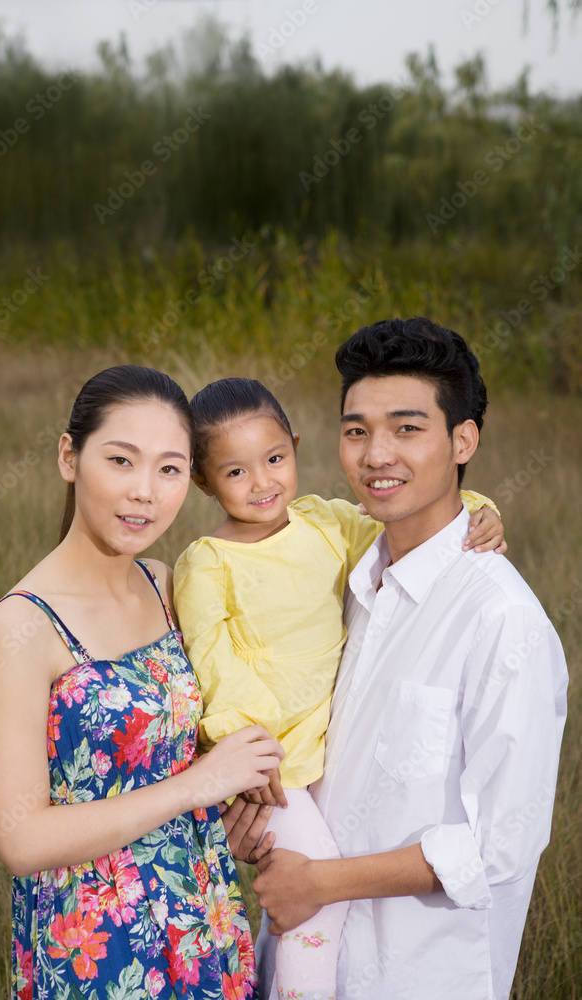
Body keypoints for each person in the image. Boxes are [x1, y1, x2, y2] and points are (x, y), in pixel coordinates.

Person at [234, 318, 569, 1000]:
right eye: (355, 430)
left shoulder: (502, 621)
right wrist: (264, 830)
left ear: (462, 439)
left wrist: (320, 882)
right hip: (305, 962)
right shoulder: (352, 582)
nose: (375, 454)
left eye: (407, 429)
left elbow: (498, 846)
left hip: (418, 975)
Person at [172, 376, 506, 1000]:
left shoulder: (324, 524)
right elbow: (214, 662)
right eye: (237, 472)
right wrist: (251, 751)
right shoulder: (208, 561)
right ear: (203, 480)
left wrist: (479, 510)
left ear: (295, 446)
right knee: (314, 898)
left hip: (331, 750)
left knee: (315, 893)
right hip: (272, 766)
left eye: (275, 459)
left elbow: (407, 526)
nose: (263, 482)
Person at [0, 365, 286, 1000]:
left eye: (170, 469)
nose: (144, 491)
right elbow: (21, 837)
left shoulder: (166, 582)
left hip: (204, 913)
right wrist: (198, 786)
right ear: (70, 456)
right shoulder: (21, 625)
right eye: (121, 460)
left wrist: (466, 527)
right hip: (98, 943)